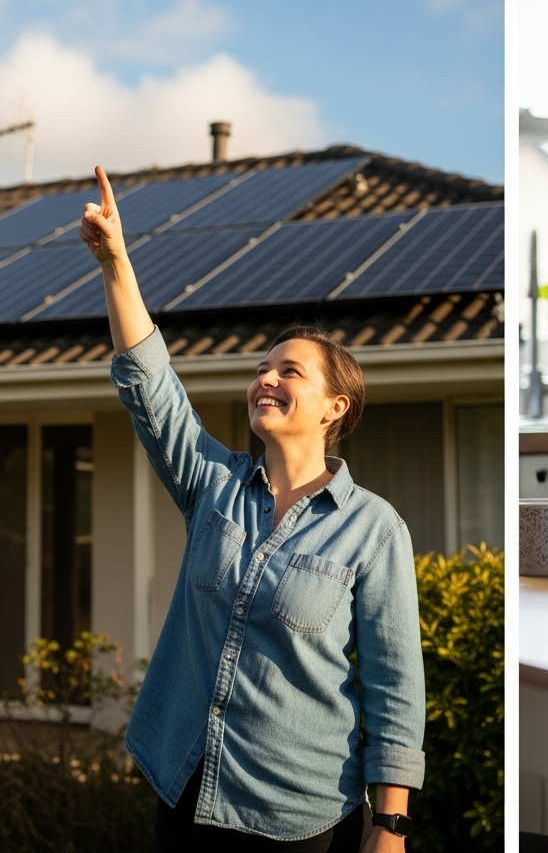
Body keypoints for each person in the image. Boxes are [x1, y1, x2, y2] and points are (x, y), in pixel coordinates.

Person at [79, 165, 425, 852]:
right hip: (183, 788)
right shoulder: (215, 484)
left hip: (298, 815)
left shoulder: (373, 529)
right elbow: (150, 385)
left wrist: (389, 828)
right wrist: (116, 262)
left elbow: (394, 688)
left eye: (289, 370)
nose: (266, 377)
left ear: (335, 407)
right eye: (263, 368)